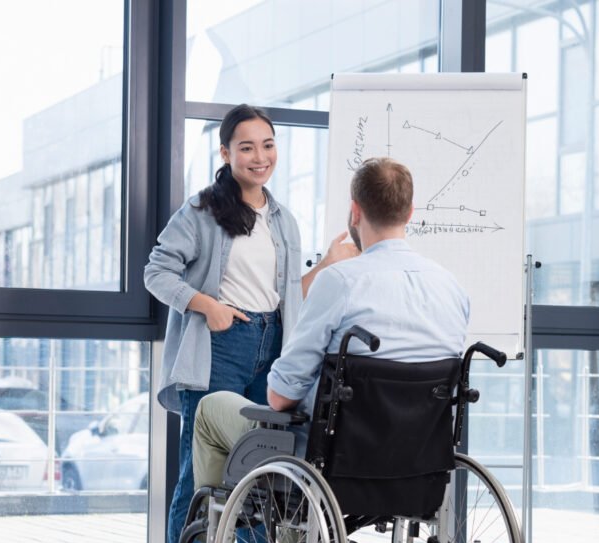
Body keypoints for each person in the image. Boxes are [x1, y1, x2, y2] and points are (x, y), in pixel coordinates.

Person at [144, 104, 356, 543]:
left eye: (268, 145)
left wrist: (327, 264)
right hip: (222, 345)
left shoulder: (283, 218)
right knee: (203, 471)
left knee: (259, 466)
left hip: (272, 345)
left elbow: (290, 294)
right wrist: (204, 304)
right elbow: (155, 272)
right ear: (225, 152)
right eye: (247, 147)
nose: (260, 157)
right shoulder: (200, 211)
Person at [192, 155, 469, 494]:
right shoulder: (451, 287)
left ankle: (210, 533)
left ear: (355, 212)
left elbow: (280, 396)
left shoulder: (340, 281)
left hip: (332, 458)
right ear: (409, 213)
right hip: (418, 459)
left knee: (209, 409)